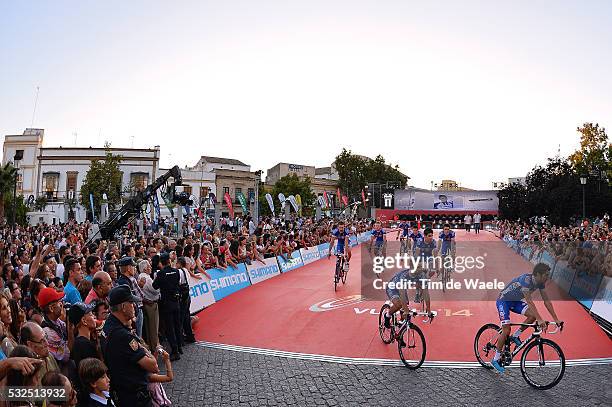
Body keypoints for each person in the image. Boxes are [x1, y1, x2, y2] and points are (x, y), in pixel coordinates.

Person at [491, 263, 562, 374]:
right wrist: (540, 319)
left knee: (532, 316)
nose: (547, 278)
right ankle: (495, 359)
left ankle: (515, 336)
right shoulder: (526, 280)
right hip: (503, 300)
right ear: (538, 274)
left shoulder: (540, 283)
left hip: (515, 301)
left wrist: (556, 319)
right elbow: (529, 301)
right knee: (506, 330)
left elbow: (547, 301)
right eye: (546, 275)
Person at [103, 285, 159, 407]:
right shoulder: (123, 336)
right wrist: (143, 348)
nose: (134, 306)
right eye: (131, 302)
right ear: (123, 307)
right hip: (135, 397)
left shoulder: (108, 325)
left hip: (123, 392)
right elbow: (153, 366)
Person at [152, 253, 182, 361]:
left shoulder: (161, 274)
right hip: (176, 302)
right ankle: (179, 347)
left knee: (170, 328)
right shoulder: (176, 271)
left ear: (161, 262)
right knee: (177, 325)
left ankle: (175, 351)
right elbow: (177, 284)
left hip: (166, 303)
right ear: (169, 261)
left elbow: (154, 286)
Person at [116, 256, 144, 338]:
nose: (135, 268)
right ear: (128, 268)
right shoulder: (125, 283)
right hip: (132, 316)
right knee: (137, 338)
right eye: (133, 266)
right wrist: (133, 317)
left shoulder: (125, 280)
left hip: (133, 314)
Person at [68, 302, 99, 369]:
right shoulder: (85, 345)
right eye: (91, 314)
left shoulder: (79, 342)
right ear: (84, 321)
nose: (94, 317)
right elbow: (96, 371)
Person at [138, 259, 161, 351]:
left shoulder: (141, 276)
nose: (150, 267)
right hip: (151, 305)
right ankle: (155, 347)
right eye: (149, 266)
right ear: (144, 269)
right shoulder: (146, 278)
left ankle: (152, 346)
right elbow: (156, 290)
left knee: (149, 327)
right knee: (153, 327)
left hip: (147, 304)